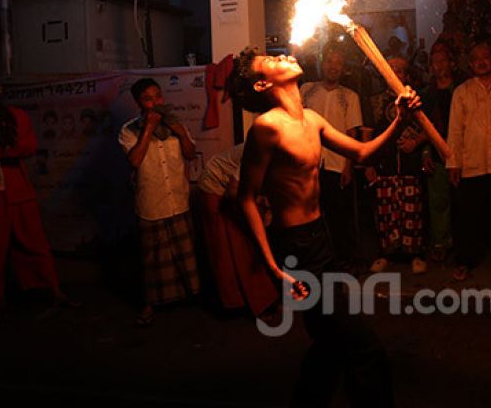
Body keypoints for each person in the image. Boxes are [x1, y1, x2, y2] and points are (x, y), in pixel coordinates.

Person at [234, 48, 420, 408]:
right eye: (272, 61)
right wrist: (274, 269)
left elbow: (362, 154)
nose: (284, 55)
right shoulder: (267, 128)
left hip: (321, 237)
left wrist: (399, 119)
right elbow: (246, 198)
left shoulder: (312, 118)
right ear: (262, 83)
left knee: (331, 345)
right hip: (297, 248)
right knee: (363, 347)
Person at [0, 67, 74, 312]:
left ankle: (52, 291)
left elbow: (27, 146)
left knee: (35, 244)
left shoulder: (16, 115)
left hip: (18, 192)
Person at [119, 78, 200, 326]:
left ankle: (190, 299)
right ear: (138, 103)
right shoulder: (129, 130)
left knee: (184, 255)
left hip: (177, 197)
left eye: (158, 96)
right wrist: (147, 129)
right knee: (152, 259)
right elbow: (134, 161)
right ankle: (150, 304)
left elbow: (189, 153)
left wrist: (178, 132)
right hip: (151, 202)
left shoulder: (175, 123)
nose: (156, 103)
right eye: (148, 98)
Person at [446, 42, 491, 281]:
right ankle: (464, 260)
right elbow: (455, 130)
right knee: (468, 216)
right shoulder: (462, 92)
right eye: (476, 58)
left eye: (485, 57)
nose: (481, 61)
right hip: (472, 163)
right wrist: (454, 163)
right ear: (470, 64)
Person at [299, 43, 364, 272]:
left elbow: (352, 134)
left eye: (338, 62)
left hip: (337, 165)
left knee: (340, 217)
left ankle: (344, 262)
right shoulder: (306, 90)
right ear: (321, 62)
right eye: (329, 61)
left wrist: (348, 167)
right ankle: (318, 262)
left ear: (344, 68)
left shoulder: (350, 96)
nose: (333, 66)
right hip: (310, 165)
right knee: (313, 216)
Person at [195, 143, 278, 316]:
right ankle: (237, 304)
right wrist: (259, 203)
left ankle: (256, 301)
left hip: (233, 191)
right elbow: (232, 192)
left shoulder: (281, 157)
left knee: (244, 246)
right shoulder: (258, 153)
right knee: (227, 250)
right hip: (214, 188)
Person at [365, 56, 428, 275]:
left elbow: (430, 129)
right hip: (385, 165)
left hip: (410, 165)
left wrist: (416, 143)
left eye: (400, 71)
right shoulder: (375, 101)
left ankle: (415, 254)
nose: (395, 74)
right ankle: (386, 254)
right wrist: (368, 164)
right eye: (391, 70)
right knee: (386, 213)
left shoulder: (416, 100)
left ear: (407, 75)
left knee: (412, 212)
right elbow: (368, 135)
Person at [419, 47, 458, 262]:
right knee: (438, 201)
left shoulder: (461, 89)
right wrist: (425, 153)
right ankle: (441, 242)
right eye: (435, 62)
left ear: (451, 63)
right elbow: (423, 127)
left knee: (461, 200)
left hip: (461, 152)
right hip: (435, 152)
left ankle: (462, 242)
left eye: (443, 61)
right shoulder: (426, 94)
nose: (439, 66)